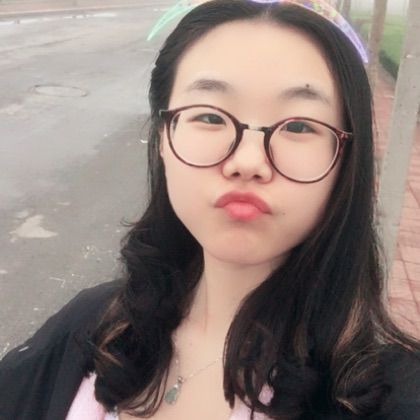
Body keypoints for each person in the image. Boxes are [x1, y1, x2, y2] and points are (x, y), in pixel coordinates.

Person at [1, 0, 419, 419]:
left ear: (346, 158)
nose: (248, 161)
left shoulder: (387, 397)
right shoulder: (93, 327)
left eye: (298, 126)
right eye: (210, 117)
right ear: (163, 137)